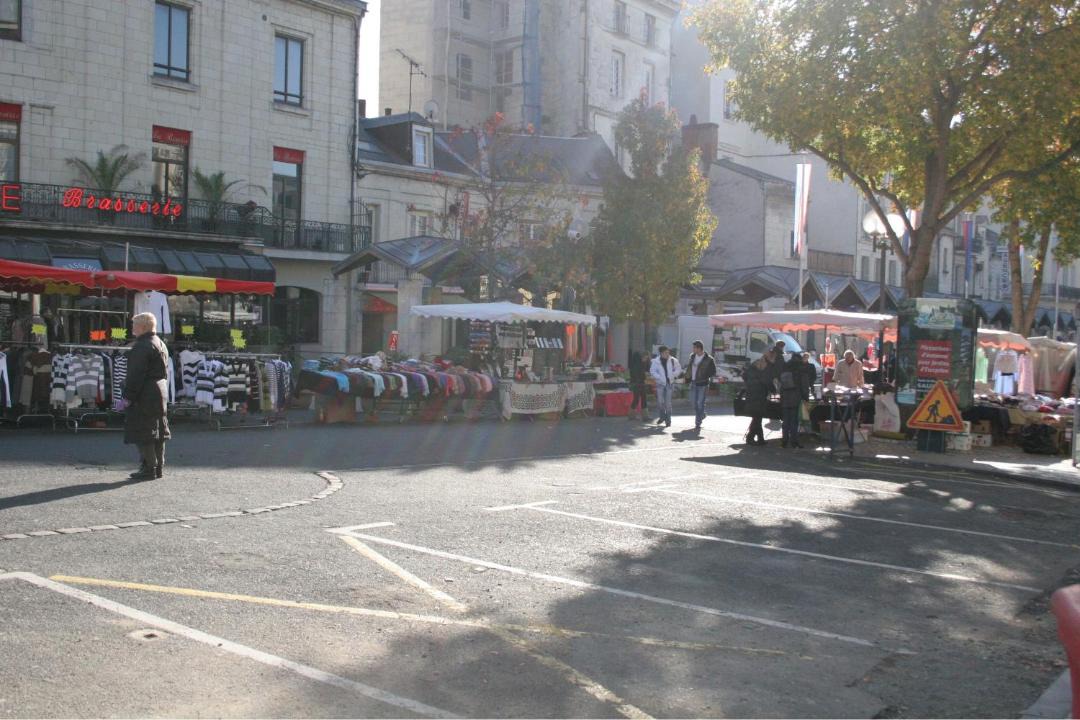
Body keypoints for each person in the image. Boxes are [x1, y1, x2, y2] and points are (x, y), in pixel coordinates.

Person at [123, 312, 171, 480]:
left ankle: (149, 467)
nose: (132, 327)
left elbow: (135, 375)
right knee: (158, 429)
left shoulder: (142, 345)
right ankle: (158, 467)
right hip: (160, 389)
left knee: (144, 430)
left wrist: (127, 397)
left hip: (146, 391)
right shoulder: (160, 343)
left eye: (134, 324)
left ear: (142, 327)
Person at [780, 353, 811, 448]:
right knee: (794, 421)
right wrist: (806, 398)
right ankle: (794, 442)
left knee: (786, 421)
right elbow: (804, 386)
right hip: (796, 398)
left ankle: (784, 441)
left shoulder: (785, 368)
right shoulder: (801, 369)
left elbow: (781, 385)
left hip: (785, 398)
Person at [684, 340, 716, 432]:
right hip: (693, 383)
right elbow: (690, 368)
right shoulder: (692, 356)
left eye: (694, 347)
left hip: (703, 384)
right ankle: (702, 414)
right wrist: (687, 378)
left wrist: (705, 376)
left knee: (700, 403)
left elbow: (713, 371)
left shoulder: (709, 359)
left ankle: (698, 422)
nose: (693, 349)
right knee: (693, 402)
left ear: (699, 348)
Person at [650, 345, 682, 428]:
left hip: (669, 384)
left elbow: (678, 369)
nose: (667, 354)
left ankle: (668, 420)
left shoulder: (673, 360)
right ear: (661, 353)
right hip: (660, 384)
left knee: (668, 403)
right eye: (665, 352)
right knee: (660, 402)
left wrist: (673, 375)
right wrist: (659, 377)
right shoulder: (655, 361)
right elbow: (652, 371)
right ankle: (662, 416)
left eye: (668, 352)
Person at [743, 352, 771, 445]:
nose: (765, 367)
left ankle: (760, 439)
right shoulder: (757, 374)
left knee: (757, 419)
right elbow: (766, 384)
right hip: (756, 399)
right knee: (757, 419)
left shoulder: (751, 372)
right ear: (760, 364)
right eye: (765, 365)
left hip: (753, 399)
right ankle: (750, 438)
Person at [627, 351, 651, 421]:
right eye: (645, 358)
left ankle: (645, 416)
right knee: (636, 399)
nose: (646, 359)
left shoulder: (642, 364)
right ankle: (632, 415)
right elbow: (636, 374)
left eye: (647, 358)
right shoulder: (636, 365)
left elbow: (643, 373)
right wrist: (644, 376)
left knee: (643, 399)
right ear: (642, 357)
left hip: (641, 383)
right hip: (636, 383)